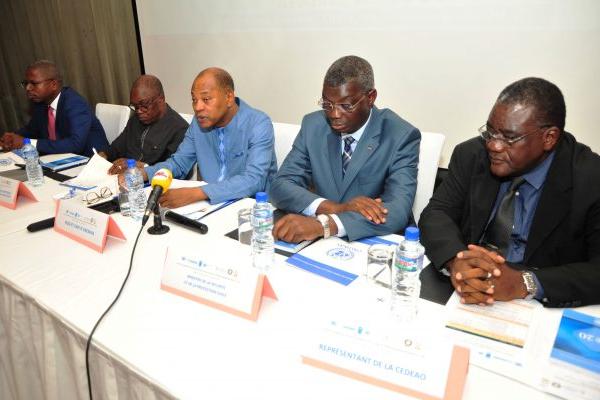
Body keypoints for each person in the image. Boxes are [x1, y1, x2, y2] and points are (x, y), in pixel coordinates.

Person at [419, 77, 600, 308]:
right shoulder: (471, 154)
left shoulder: (590, 178)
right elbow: (437, 213)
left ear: (549, 138)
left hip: (541, 302)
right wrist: (456, 260)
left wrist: (525, 283)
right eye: (490, 132)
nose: (493, 145)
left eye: (509, 138)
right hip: (466, 290)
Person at [270, 55, 420, 243]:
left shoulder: (400, 135)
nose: (334, 114)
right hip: (322, 242)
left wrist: (325, 225)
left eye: (346, 105)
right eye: (327, 104)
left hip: (373, 240)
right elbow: (281, 185)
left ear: (371, 97)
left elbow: (397, 210)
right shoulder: (313, 125)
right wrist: (335, 209)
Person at [140, 67, 277, 207]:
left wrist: (197, 193)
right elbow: (179, 163)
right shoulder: (198, 123)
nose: (197, 107)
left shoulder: (258, 123)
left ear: (229, 97)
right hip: (209, 206)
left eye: (206, 99)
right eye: (194, 100)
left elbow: (254, 180)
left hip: (253, 208)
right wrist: (141, 174)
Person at [0, 60, 108, 157]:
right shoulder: (40, 103)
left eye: (34, 83)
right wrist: (12, 137)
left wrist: (27, 142)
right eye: (26, 83)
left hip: (90, 161)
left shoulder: (75, 103)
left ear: (54, 84)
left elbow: (75, 144)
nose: (28, 88)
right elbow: (31, 130)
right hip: (59, 159)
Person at [99, 75, 188, 174]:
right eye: (135, 106)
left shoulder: (179, 128)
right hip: (122, 177)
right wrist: (102, 156)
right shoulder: (135, 120)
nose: (139, 111)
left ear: (161, 100)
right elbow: (115, 149)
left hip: (151, 180)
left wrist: (136, 165)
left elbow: (172, 169)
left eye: (144, 105)